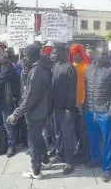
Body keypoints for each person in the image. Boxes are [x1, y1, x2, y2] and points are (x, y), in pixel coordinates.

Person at [6, 43, 52, 179]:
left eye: (25, 56)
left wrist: (16, 114)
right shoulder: (42, 66)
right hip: (43, 111)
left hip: (35, 112)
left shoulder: (36, 71)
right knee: (38, 139)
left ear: (32, 56)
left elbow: (31, 97)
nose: (23, 58)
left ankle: (36, 171)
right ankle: (45, 161)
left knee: (33, 142)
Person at [85, 47, 111, 182]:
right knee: (93, 139)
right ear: (96, 54)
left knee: (107, 142)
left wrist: (110, 112)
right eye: (102, 53)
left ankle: (107, 168)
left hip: (104, 112)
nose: (105, 56)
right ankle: (95, 159)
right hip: (90, 111)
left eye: (106, 54)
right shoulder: (89, 69)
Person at [49, 44, 77, 175]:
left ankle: (69, 161)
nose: (53, 55)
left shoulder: (70, 68)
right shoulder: (55, 66)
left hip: (66, 109)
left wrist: (68, 110)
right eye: (53, 53)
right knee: (58, 134)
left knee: (67, 135)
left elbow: (72, 92)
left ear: (64, 53)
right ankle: (59, 155)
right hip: (56, 107)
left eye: (56, 53)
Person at [0, 46, 20, 157]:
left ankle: (12, 146)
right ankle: (2, 145)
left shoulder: (7, 66)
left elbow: (5, 76)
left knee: (8, 125)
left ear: (2, 55)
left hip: (6, 100)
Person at [68, 43, 91, 163]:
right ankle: (78, 149)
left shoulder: (87, 66)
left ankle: (85, 152)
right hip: (72, 103)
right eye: (73, 54)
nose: (75, 57)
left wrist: (83, 101)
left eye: (76, 54)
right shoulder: (70, 66)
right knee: (76, 129)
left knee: (84, 129)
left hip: (84, 103)